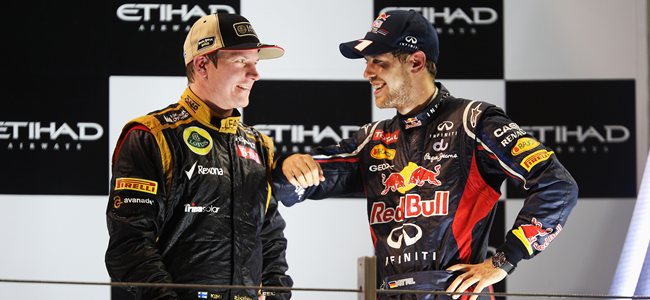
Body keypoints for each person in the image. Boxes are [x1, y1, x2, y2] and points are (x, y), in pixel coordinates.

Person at [271, 9, 578, 300]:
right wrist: (288, 164)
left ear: (416, 62)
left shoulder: (473, 122)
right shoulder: (371, 139)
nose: (367, 73)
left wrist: (503, 260)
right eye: (366, 63)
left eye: (379, 61)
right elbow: (294, 186)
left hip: (455, 291)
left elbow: (557, 185)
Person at [105, 12, 293, 300]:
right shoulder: (151, 135)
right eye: (241, 61)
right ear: (203, 65)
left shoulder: (259, 145)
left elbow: (270, 242)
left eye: (255, 62)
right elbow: (129, 245)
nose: (255, 74)